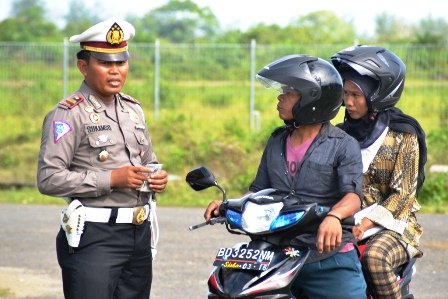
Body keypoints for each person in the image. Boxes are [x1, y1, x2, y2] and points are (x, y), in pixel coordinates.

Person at [204, 54, 367, 298]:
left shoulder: (343, 145)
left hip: (325, 254)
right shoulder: (276, 140)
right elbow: (258, 190)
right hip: (277, 252)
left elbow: (352, 196)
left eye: (289, 92)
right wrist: (230, 205)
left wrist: (334, 216)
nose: (280, 97)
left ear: (312, 99)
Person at [37, 20, 168, 299]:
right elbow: (48, 178)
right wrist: (111, 179)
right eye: (105, 63)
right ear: (83, 67)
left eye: (121, 62)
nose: (115, 71)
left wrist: (156, 176)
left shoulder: (133, 111)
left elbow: (148, 160)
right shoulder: (69, 114)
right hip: (95, 237)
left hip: (138, 235)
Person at [331, 45, 426, 299]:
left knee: (374, 258)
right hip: (349, 219)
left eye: (356, 95)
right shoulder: (340, 133)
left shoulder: (404, 134)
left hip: (394, 224)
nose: (348, 102)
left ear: (377, 95)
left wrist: (366, 222)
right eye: (345, 93)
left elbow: (403, 195)